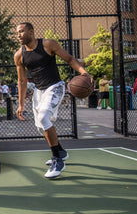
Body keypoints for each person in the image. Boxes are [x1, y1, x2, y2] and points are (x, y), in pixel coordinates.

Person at [14, 22, 92, 179]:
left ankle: (57, 159)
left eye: (22, 32)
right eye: (17, 33)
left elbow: (69, 59)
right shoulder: (19, 55)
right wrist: (21, 104)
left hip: (55, 87)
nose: (19, 35)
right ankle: (61, 152)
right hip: (39, 91)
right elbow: (22, 81)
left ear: (31, 31)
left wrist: (84, 73)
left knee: (43, 118)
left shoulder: (48, 44)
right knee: (41, 127)